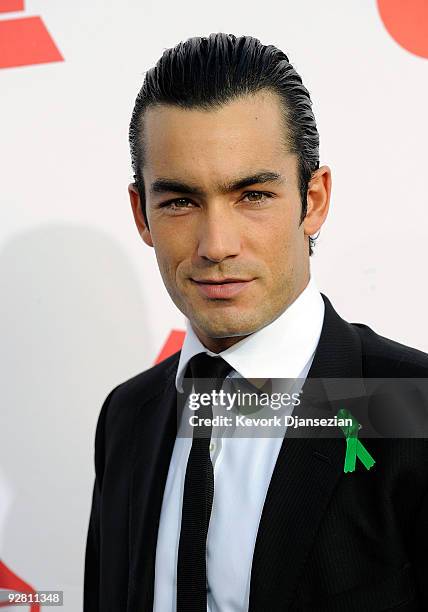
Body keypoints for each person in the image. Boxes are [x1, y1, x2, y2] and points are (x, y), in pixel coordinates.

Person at [83, 33, 428, 611]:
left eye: (253, 195)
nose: (216, 245)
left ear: (312, 200)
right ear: (142, 213)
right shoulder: (128, 417)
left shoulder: (412, 408)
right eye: (180, 202)